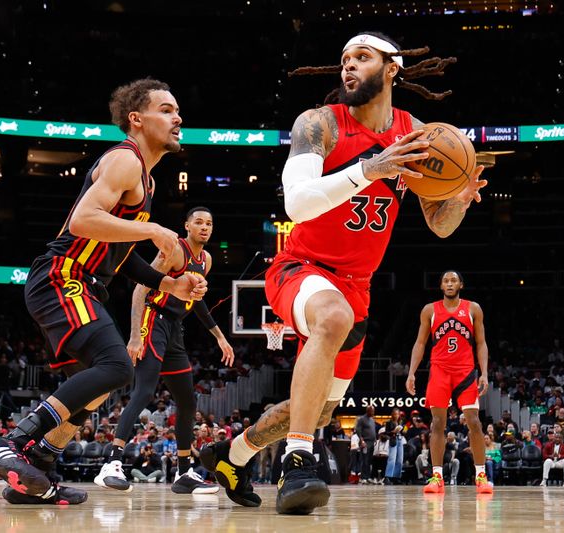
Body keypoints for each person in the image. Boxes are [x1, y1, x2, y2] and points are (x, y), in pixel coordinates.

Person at [200, 31, 485, 515]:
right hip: (301, 268)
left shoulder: (416, 132)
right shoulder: (318, 125)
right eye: (344, 59)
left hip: (358, 288)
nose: (348, 66)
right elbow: (297, 202)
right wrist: (368, 170)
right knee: (331, 319)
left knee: (320, 409)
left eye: (362, 57)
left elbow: (439, 226)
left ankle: (234, 456)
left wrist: (455, 200)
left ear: (392, 68)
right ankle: (297, 462)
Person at [0, 78, 206, 505]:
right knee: (118, 368)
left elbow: (123, 255)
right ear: (136, 119)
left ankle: (36, 472)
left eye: (177, 110)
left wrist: (168, 282)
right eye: (167, 109)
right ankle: (10, 443)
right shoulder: (125, 160)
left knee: (91, 388)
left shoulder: (146, 181)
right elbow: (82, 220)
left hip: (84, 283)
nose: (178, 117)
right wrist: (152, 229)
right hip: (64, 275)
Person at [94, 207, 230, 495]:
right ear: (187, 226)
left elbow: (198, 301)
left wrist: (219, 336)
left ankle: (183, 474)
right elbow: (140, 290)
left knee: (187, 401)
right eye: (199, 222)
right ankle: (112, 462)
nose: (204, 227)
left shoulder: (205, 260)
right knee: (144, 392)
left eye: (209, 223)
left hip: (174, 329)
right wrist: (134, 336)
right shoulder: (175, 250)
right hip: (152, 320)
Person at [406, 271, 492, 494]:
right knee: (437, 423)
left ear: (461, 284)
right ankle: (437, 477)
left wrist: (484, 373)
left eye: (454, 280)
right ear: (441, 286)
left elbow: (481, 343)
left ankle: (481, 476)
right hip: (440, 371)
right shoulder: (429, 310)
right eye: (446, 280)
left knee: (473, 421)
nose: (450, 283)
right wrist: (411, 372)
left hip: (465, 371)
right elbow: (420, 343)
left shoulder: (473, 308)